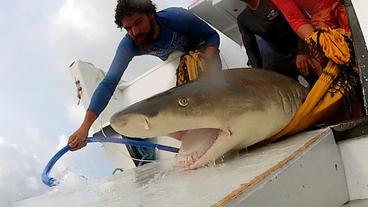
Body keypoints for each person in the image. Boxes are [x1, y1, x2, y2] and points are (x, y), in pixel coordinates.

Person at [68, 0, 221, 151]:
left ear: (151, 15)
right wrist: (85, 127)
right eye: (128, 28)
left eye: (138, 23)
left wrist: (204, 60)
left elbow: (212, 36)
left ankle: (220, 128)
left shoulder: (177, 17)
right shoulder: (129, 45)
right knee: (171, 111)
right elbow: (108, 84)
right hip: (180, 63)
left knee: (205, 87)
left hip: (203, 51)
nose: (135, 32)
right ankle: (195, 140)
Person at [271, 0, 350, 77]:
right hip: (321, 19)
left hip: (349, 6)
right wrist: (320, 42)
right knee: (325, 60)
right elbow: (296, 20)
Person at [237, 0, 306, 81]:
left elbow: (301, 20)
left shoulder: (273, 2)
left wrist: (302, 51)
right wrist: (258, 74)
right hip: (281, 58)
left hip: (300, 47)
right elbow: (251, 48)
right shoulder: (243, 19)